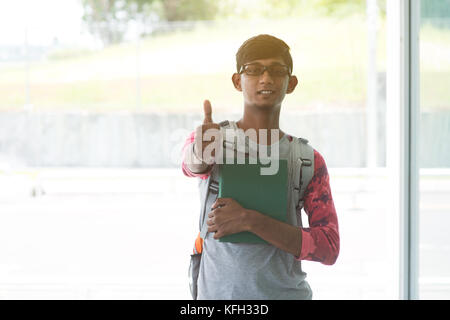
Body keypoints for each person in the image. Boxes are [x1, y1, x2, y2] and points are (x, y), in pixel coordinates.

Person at [181, 34, 339, 300]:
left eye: (277, 71)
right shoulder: (211, 138)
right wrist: (201, 151)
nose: (266, 78)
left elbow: (329, 247)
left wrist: (250, 220)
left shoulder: (307, 160)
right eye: (253, 70)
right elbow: (193, 165)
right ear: (237, 80)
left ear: (291, 83)